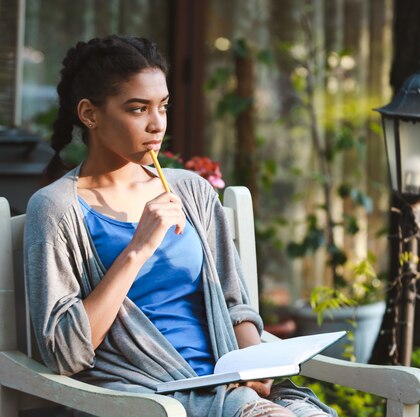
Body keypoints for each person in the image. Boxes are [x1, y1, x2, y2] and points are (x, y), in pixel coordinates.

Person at [24, 35, 336, 417]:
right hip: (142, 396)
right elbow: (64, 352)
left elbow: (234, 305)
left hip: (229, 385)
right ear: (90, 114)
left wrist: (257, 365)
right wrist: (138, 248)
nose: (157, 125)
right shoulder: (56, 208)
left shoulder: (190, 190)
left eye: (164, 106)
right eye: (138, 109)